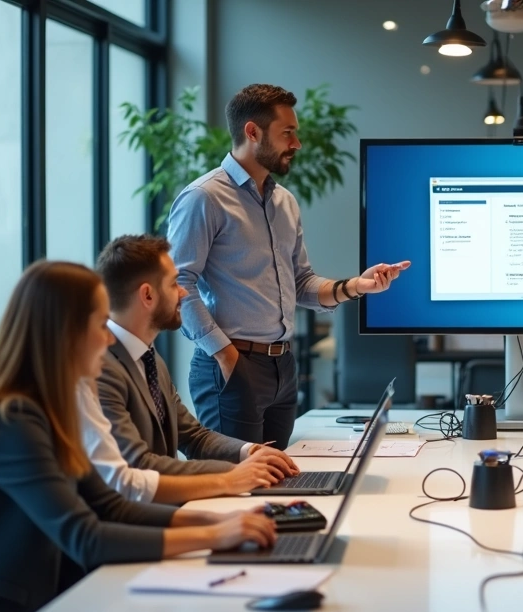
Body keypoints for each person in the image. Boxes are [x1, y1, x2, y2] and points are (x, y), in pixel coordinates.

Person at [0, 261, 277, 612]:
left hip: (50, 601)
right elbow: (86, 537)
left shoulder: (51, 407)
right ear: (64, 333)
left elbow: (109, 506)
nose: (109, 338)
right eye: (100, 324)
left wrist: (224, 523)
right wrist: (215, 536)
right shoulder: (11, 420)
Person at [168, 83, 410, 447]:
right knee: (237, 488)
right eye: (288, 133)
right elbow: (178, 285)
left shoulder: (285, 202)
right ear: (252, 132)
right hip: (232, 365)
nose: (296, 144)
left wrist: (357, 286)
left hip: (283, 367)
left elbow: (301, 283)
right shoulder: (204, 198)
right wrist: (225, 354)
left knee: (276, 484)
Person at [87, 234, 301, 503]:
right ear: (148, 295)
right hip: (135, 520)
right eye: (174, 283)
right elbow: (139, 464)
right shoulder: (100, 369)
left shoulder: (149, 357)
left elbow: (193, 436)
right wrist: (233, 475)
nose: (184, 291)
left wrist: (250, 452)